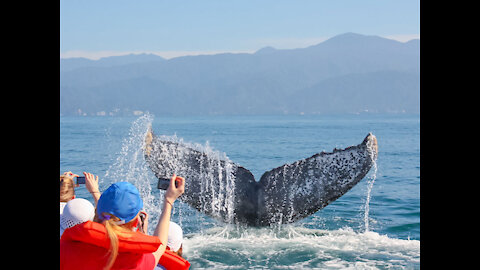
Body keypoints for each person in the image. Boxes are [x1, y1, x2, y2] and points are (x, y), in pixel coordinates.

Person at [60, 174, 185, 270]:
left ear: (96, 212)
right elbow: (161, 244)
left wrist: (95, 192)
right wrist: (168, 200)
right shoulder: (138, 260)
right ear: (136, 221)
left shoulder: (65, 250)